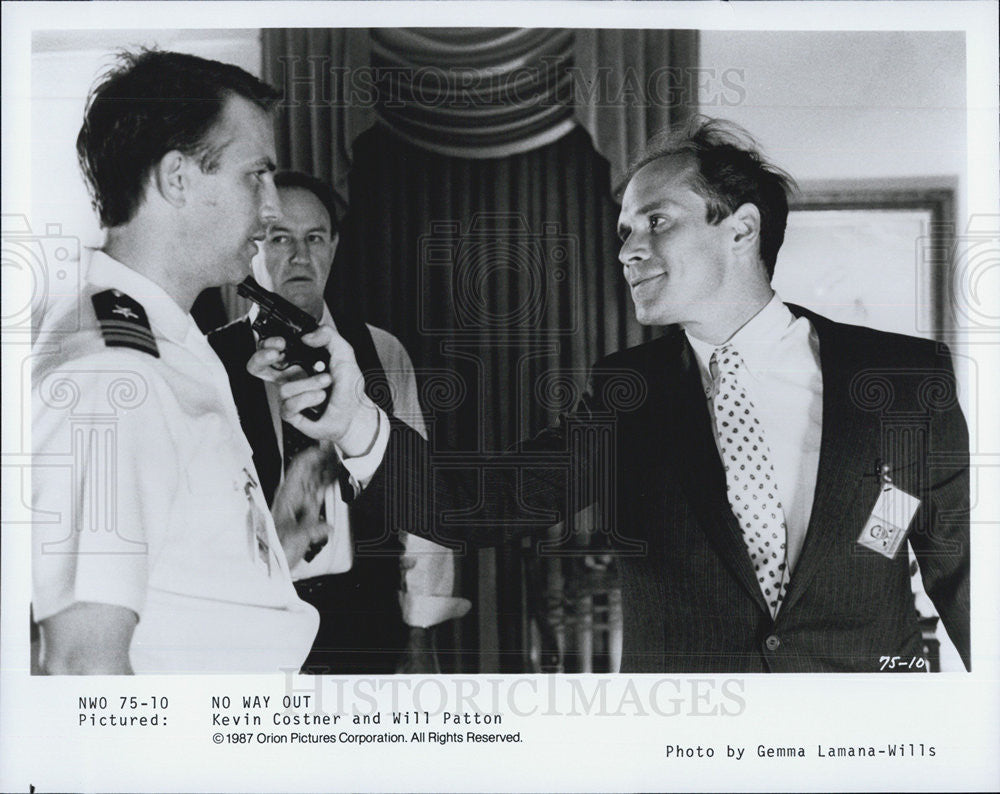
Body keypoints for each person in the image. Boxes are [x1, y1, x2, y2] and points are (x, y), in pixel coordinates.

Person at [253, 116, 970, 674]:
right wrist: (355, 425)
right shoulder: (629, 392)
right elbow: (480, 505)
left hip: (866, 744)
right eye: (624, 229)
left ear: (742, 229)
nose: (627, 249)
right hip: (686, 747)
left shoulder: (906, 379)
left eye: (656, 221)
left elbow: (966, 574)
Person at [30, 50, 356, 674]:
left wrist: (267, 546)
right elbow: (81, 667)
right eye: (254, 177)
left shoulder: (168, 345)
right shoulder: (113, 376)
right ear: (177, 178)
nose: (272, 210)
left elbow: (176, 601)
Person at [208, 171, 469, 674]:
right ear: (251, 245)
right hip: (254, 617)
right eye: (279, 237)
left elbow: (420, 499)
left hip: (368, 618)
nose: (299, 255)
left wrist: (421, 629)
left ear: (334, 246)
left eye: (315, 238)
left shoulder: (382, 350)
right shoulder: (209, 358)